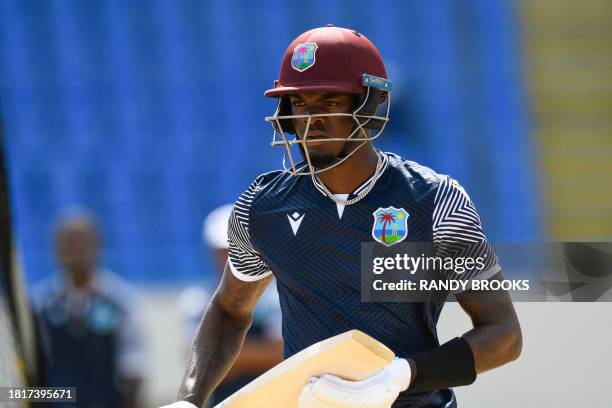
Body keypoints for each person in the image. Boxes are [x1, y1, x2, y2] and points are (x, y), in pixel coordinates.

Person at [164, 25, 522, 408]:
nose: (311, 118)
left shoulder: (435, 200)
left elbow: (503, 335)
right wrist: (189, 399)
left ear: (368, 106)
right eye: (299, 103)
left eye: (330, 101)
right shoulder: (261, 207)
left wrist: (403, 374)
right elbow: (228, 311)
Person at [33, 209, 145, 408]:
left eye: (78, 243)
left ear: (96, 245)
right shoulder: (40, 304)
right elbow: (34, 368)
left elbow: (133, 367)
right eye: (65, 243)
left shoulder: (119, 300)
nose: (71, 250)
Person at [176, 204, 283, 405]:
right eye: (223, 251)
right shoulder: (195, 298)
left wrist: (222, 357)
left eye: (234, 248)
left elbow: (281, 354)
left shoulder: (277, 294)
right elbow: (194, 358)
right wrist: (260, 355)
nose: (231, 257)